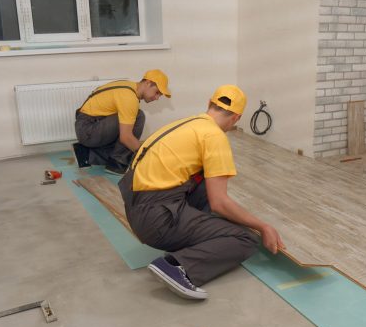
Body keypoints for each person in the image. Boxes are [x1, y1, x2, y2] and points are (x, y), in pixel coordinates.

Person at [118, 84, 285, 300]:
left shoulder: (186, 124)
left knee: (206, 180)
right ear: (236, 118)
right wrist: (263, 226)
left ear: (209, 104)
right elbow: (219, 203)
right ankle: (176, 266)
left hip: (136, 207)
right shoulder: (214, 136)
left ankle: (202, 235)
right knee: (245, 239)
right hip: (157, 220)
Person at [72, 69, 171, 175]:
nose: (156, 98)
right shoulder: (129, 97)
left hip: (89, 125)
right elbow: (125, 137)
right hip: (88, 129)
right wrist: (148, 156)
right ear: (148, 83)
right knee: (137, 117)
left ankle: (86, 154)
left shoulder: (128, 87)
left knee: (125, 143)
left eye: (159, 96)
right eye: (157, 93)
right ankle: (117, 163)